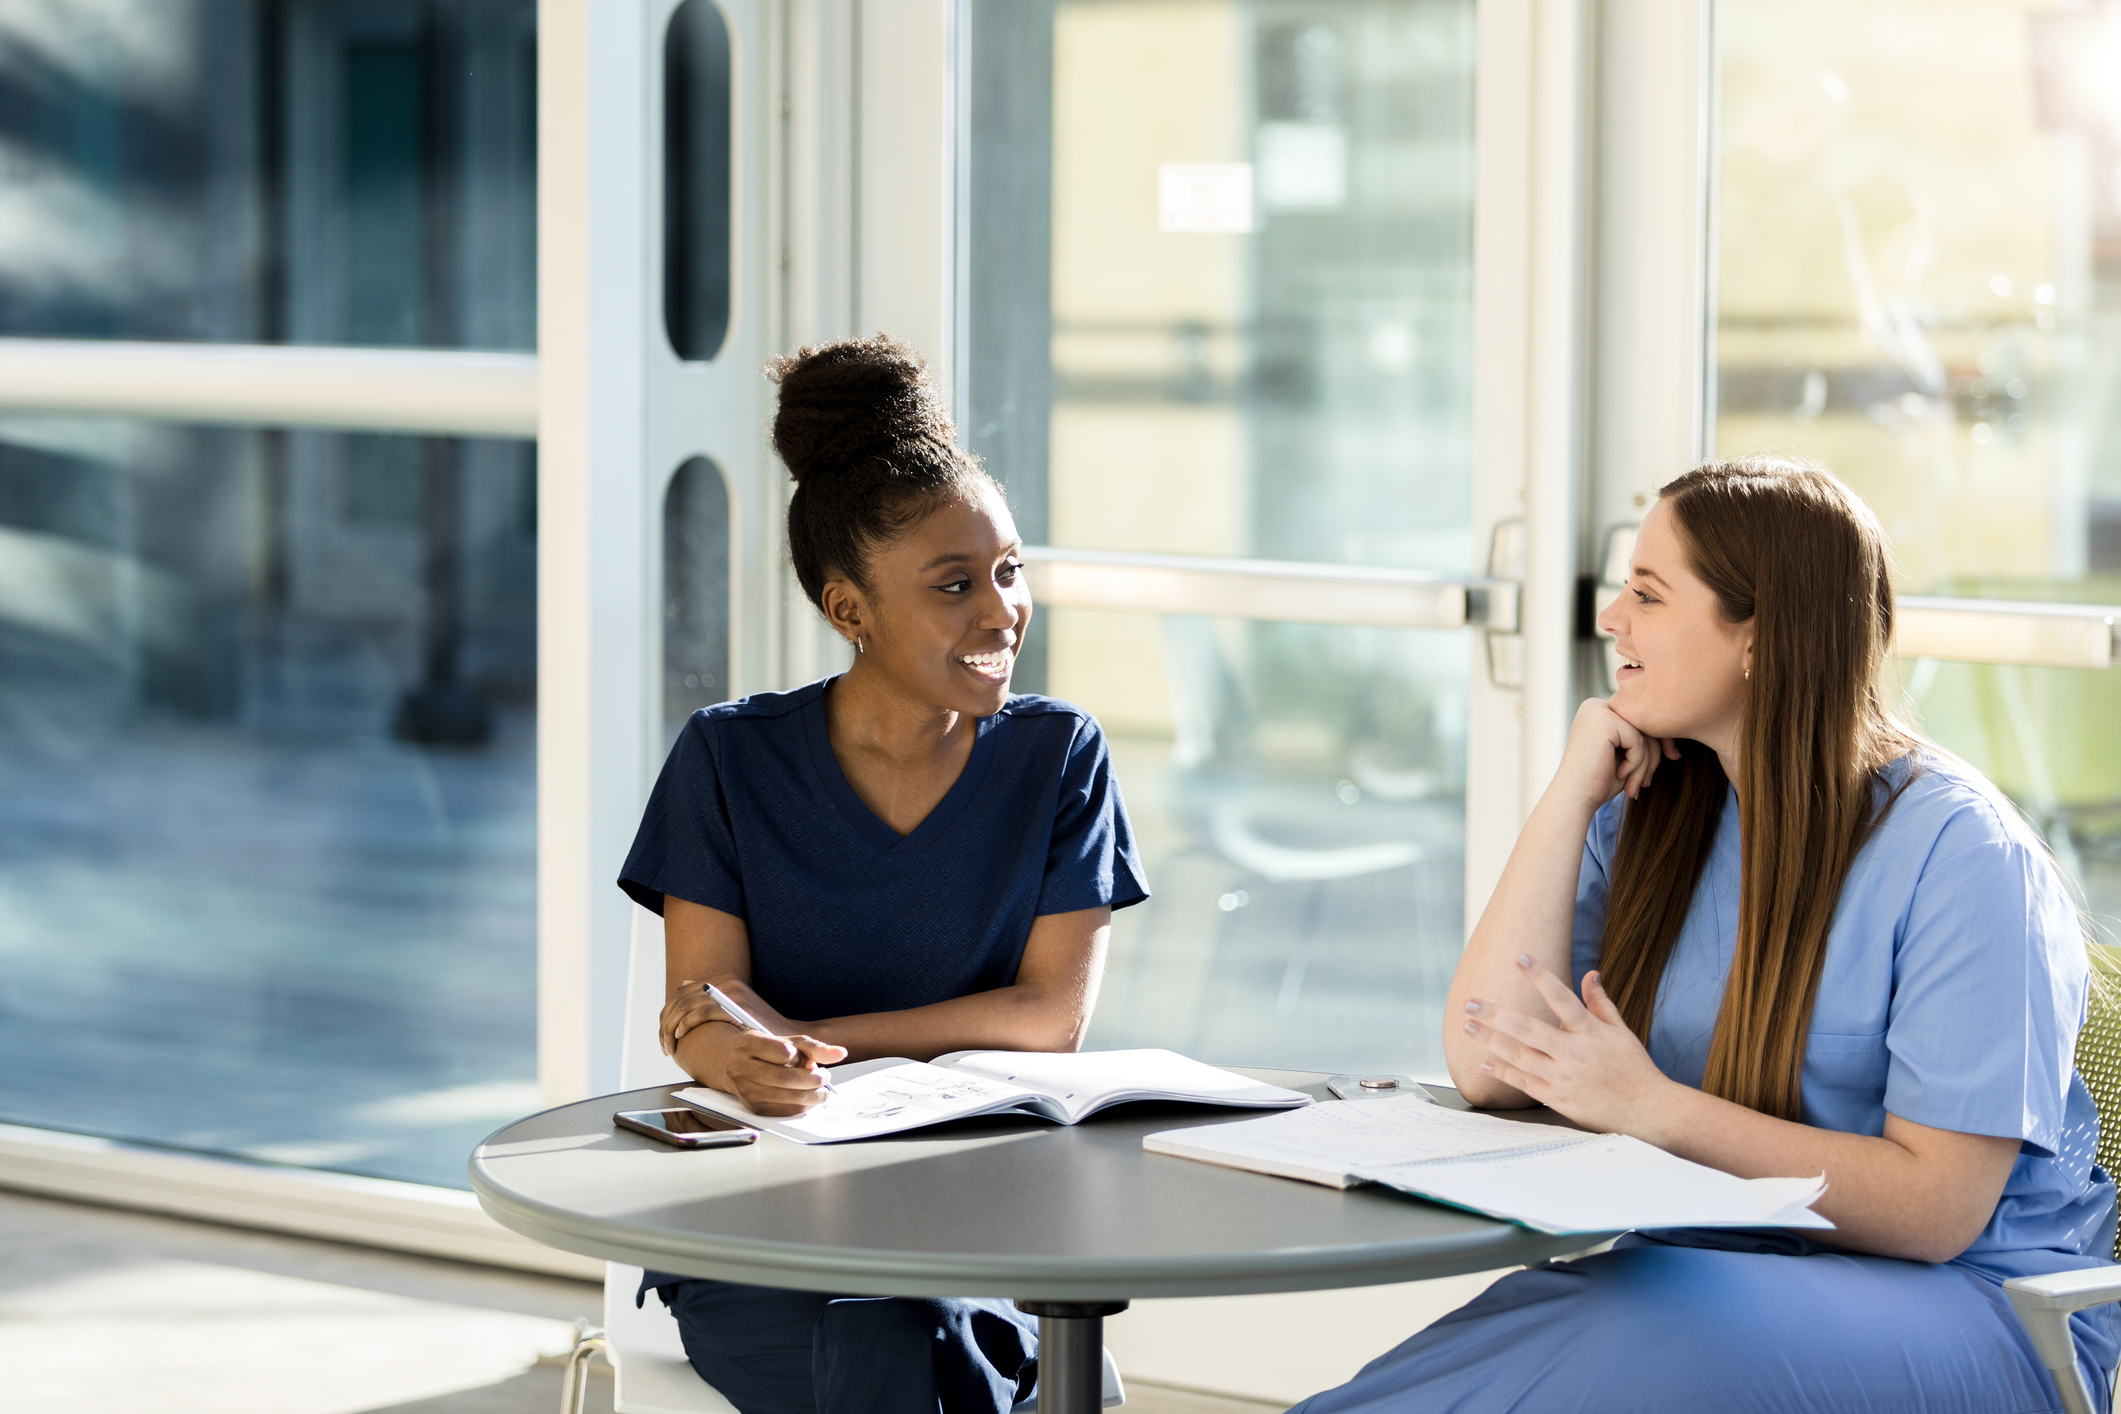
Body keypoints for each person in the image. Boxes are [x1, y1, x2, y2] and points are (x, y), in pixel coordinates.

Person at [1292, 459, 2119, 1414]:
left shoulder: (1965, 856)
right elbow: (1492, 1064)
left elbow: (1935, 1211)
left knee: (1616, 1348)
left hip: (1979, 1312)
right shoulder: (1655, 814)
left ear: (1758, 638)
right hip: (1709, 1275)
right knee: (1519, 1343)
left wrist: (1649, 1107)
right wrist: (1571, 792)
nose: (1612, 621)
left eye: (1647, 595)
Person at [616, 334, 1148, 1414]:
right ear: (849, 609)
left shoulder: (1060, 757)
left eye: (1009, 569)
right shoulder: (728, 758)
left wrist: (820, 1039)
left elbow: (1049, 1019)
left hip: (977, 1206)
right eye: (956, 584)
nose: (1001, 610)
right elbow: (704, 1005)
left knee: (914, 1334)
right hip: (759, 1220)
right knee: (899, 1343)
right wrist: (734, 1045)